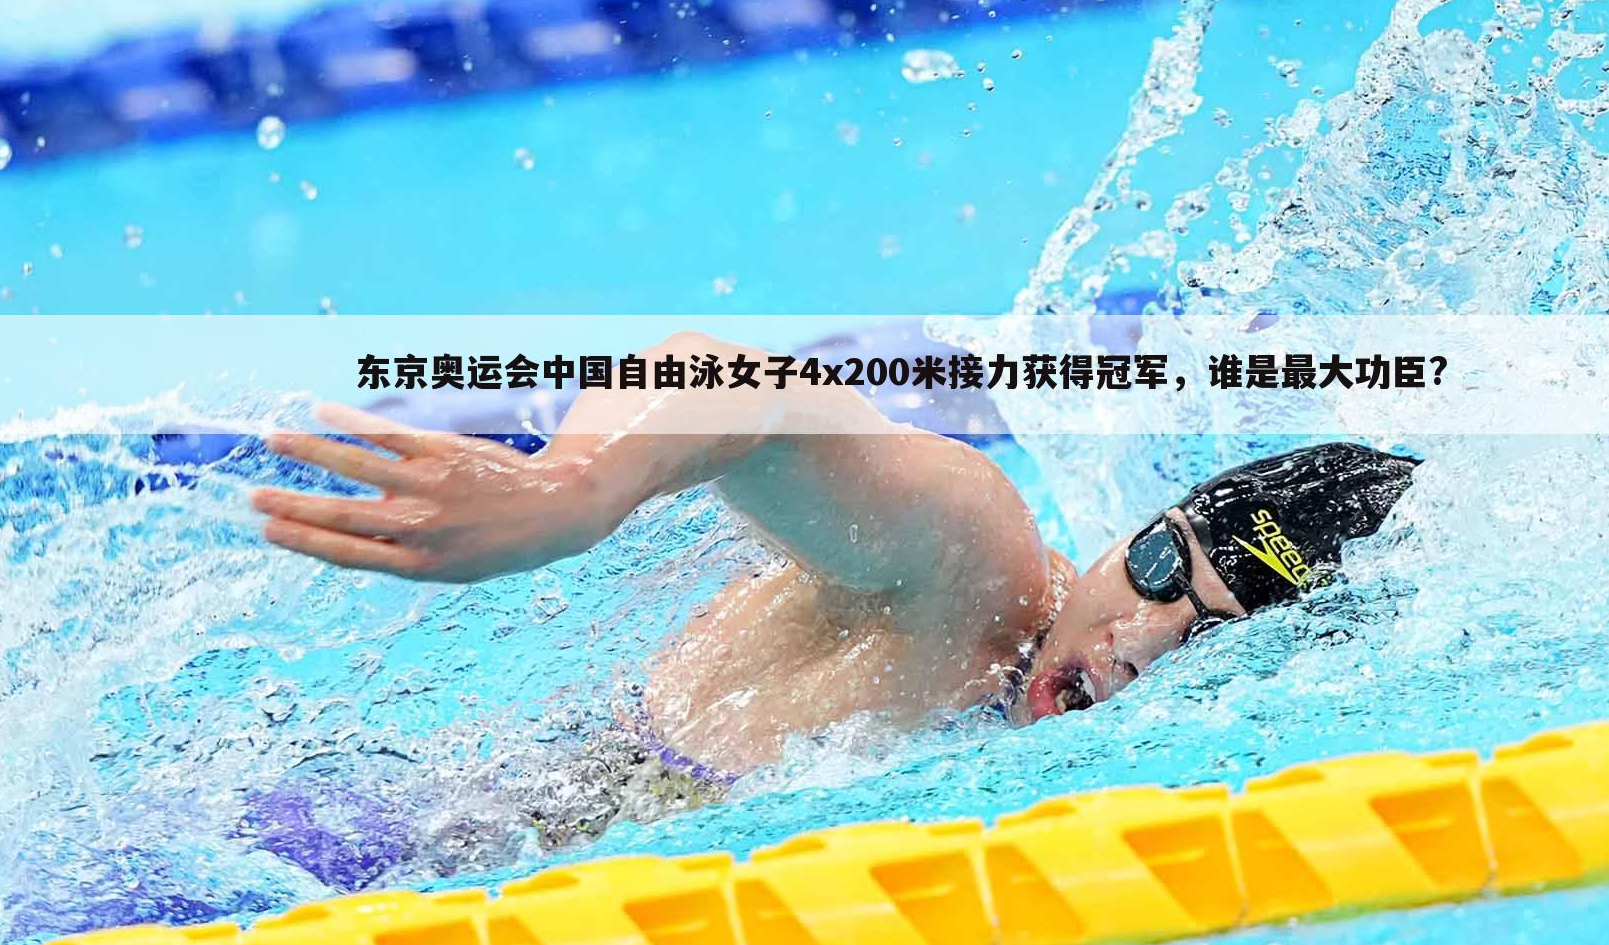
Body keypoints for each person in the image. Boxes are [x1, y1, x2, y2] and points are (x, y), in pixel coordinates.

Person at [250, 332, 1414, 853]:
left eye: (1202, 635)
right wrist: (573, 486)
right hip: (361, 846)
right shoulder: (978, 564)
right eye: (1159, 569)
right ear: (1127, 534)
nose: (1135, 638)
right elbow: (728, 379)